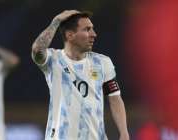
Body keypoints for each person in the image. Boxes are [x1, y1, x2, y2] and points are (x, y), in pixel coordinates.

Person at [31, 10, 129, 140]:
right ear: (70, 35)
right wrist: (56, 22)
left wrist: (124, 132)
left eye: (92, 29)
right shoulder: (53, 60)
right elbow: (37, 49)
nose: (94, 34)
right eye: (87, 29)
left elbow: (115, 98)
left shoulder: (103, 62)